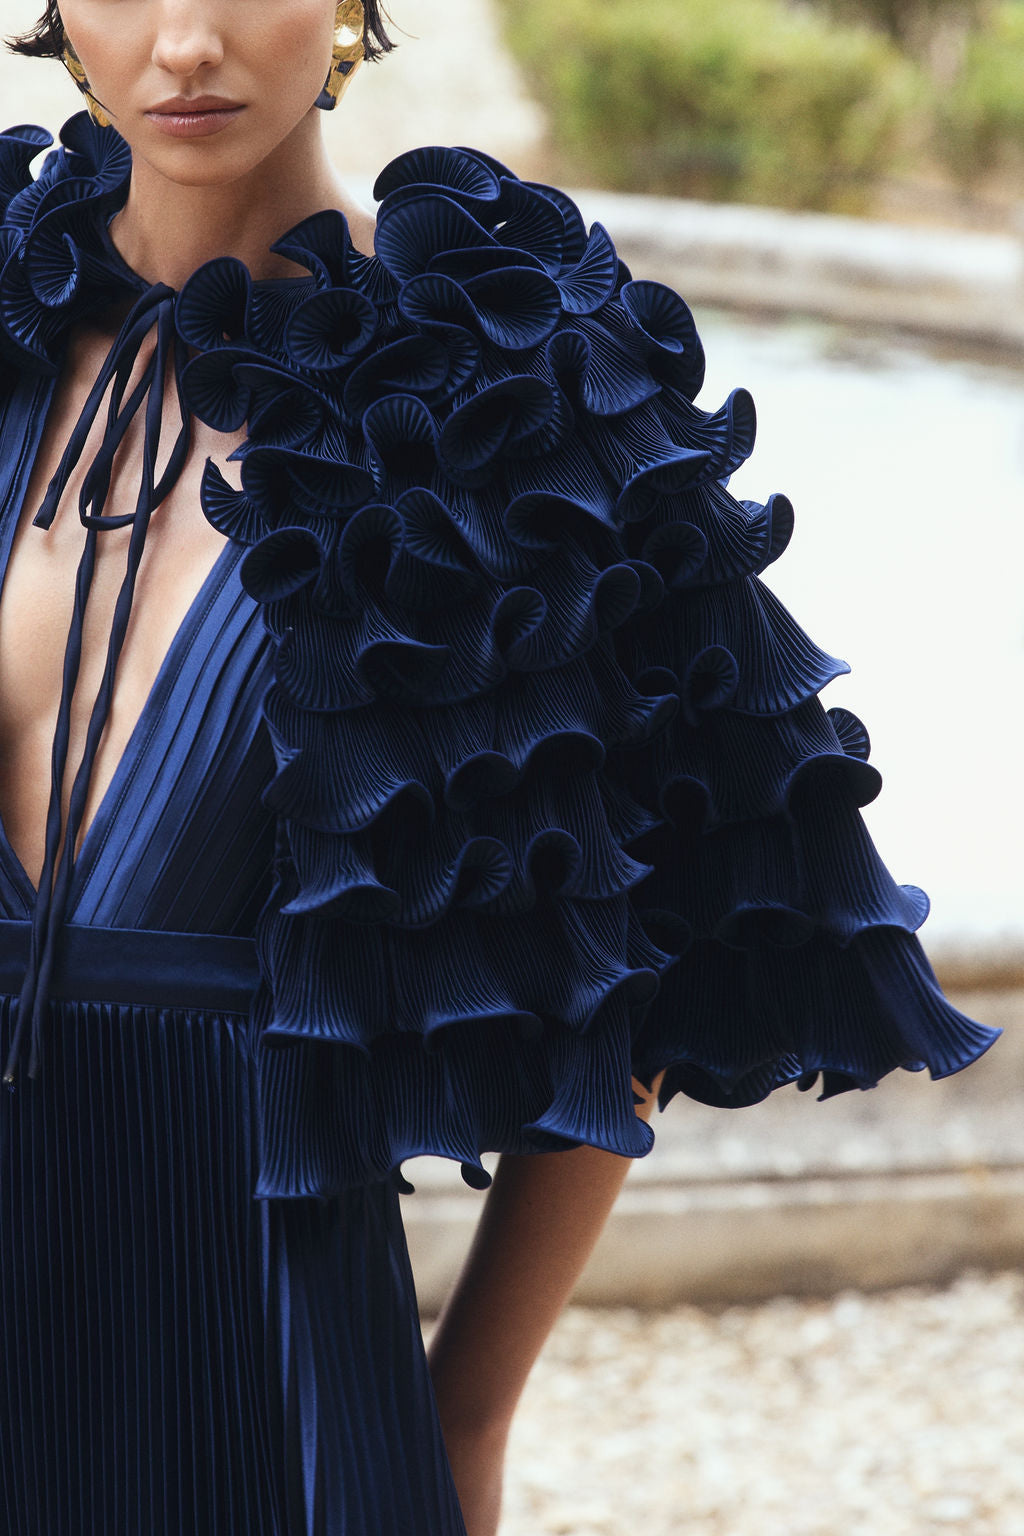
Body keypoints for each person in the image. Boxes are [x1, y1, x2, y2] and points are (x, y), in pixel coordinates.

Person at [0, 4, 999, 1534]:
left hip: (257, 1371)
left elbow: (694, 902)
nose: (186, 38)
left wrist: (467, 1408)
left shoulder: (503, 382)